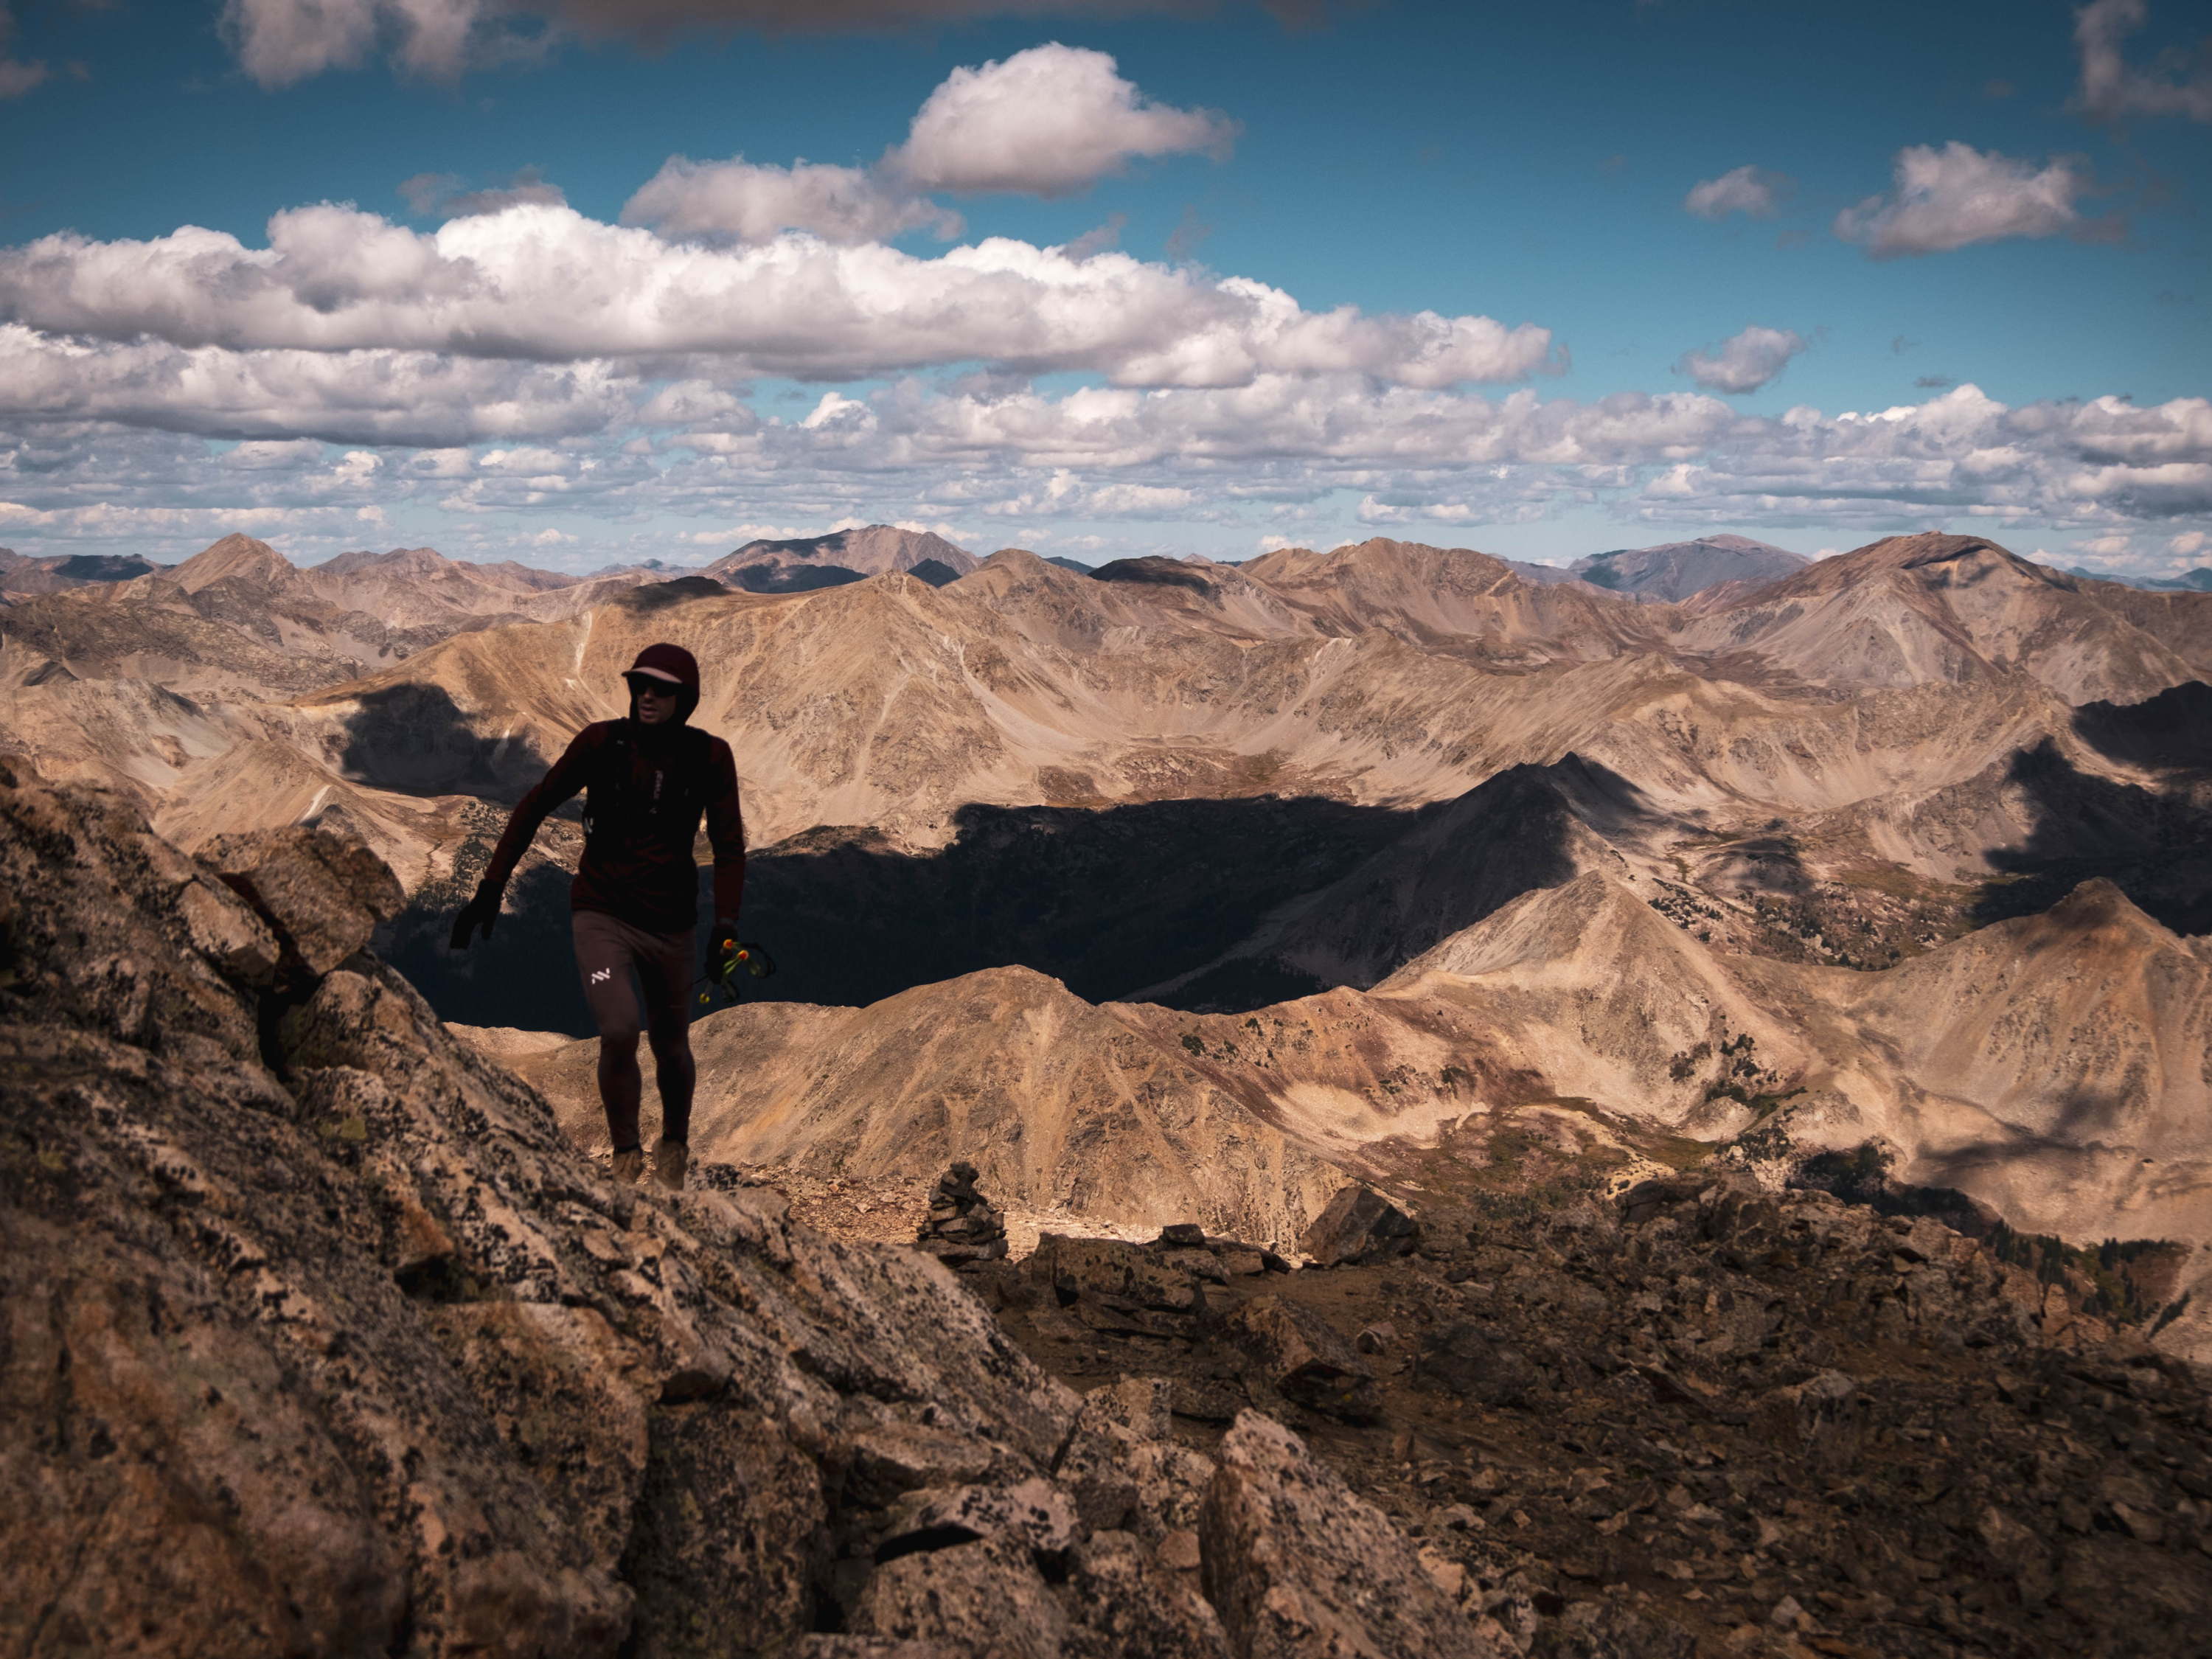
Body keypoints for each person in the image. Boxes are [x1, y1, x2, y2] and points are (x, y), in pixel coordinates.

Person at [448, 641, 744, 1191]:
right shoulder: (602, 743)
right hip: (600, 914)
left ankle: (674, 1150)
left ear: (687, 698)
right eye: (640, 685)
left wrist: (725, 924)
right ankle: (626, 1159)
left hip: (672, 925)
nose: (647, 695)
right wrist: (491, 887)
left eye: (662, 689)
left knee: (672, 1042)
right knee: (618, 1029)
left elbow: (729, 847)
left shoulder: (710, 757)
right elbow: (535, 803)